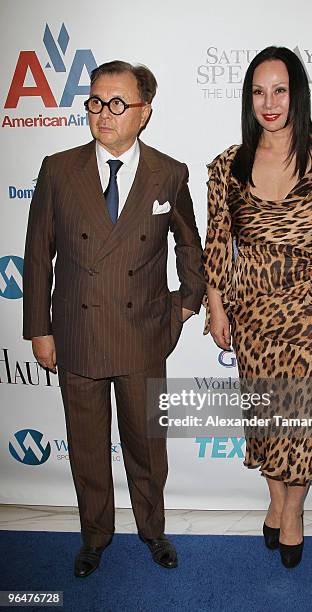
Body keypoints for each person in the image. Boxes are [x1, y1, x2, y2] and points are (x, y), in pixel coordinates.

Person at [23, 60, 205, 577]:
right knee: (85, 446)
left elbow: (190, 247)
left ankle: (153, 530)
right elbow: (38, 253)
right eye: (97, 102)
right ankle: (95, 536)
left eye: (119, 104)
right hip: (76, 333)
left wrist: (184, 306)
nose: (105, 114)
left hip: (145, 335)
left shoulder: (168, 173)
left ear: (145, 112)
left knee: (147, 449)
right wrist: (39, 327)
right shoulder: (59, 169)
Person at [203, 46, 312, 568]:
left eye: (280, 90)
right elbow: (217, 243)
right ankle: (276, 501)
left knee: (303, 425)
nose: (269, 102)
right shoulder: (229, 166)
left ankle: (292, 512)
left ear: (298, 94)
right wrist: (216, 308)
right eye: (258, 91)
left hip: (310, 318)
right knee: (270, 420)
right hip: (252, 315)